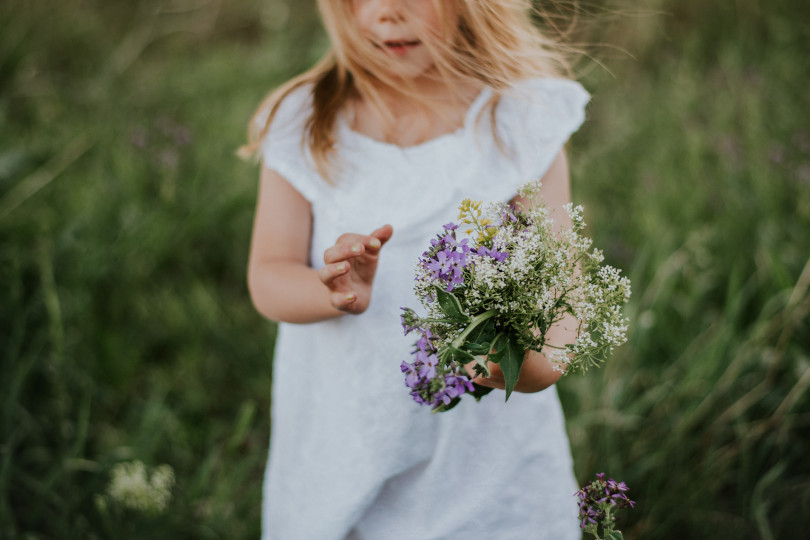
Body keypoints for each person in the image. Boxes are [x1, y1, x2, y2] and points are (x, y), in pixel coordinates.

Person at [243, 1, 589, 538]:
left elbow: (559, 289)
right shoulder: (306, 119)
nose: (386, 13)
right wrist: (329, 290)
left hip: (484, 475)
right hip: (345, 450)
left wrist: (532, 366)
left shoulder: (519, 120)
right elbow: (268, 276)